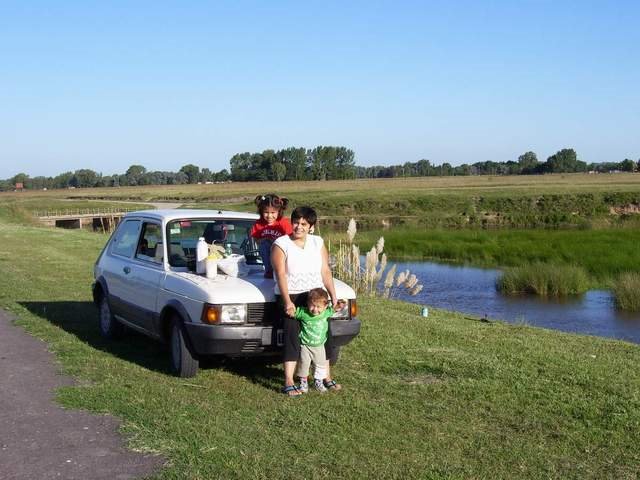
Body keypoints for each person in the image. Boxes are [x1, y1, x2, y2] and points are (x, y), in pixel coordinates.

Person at [272, 206, 343, 396]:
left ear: (311, 226)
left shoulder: (317, 242)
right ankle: (289, 380)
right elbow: (280, 275)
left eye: (304, 224)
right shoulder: (281, 243)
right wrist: (288, 302)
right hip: (292, 296)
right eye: (296, 222)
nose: (298, 227)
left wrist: (333, 297)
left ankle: (326, 376)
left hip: (316, 296)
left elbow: (326, 271)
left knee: (323, 335)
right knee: (292, 335)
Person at [294, 288, 345, 393]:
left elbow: (335, 308)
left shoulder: (326, 313)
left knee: (320, 365)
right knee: (304, 364)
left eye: (318, 307)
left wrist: (340, 304)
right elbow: (293, 312)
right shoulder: (303, 313)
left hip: (319, 346)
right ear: (307, 304)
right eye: (312, 305)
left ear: (325, 306)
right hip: (305, 345)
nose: (315, 309)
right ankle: (303, 383)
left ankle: (319, 382)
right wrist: (290, 310)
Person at [250, 194, 292, 278]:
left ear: (279, 211)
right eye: (266, 212)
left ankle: (280, 270)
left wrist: (275, 242)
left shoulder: (284, 223)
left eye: (273, 212)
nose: (269, 216)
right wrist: (266, 239)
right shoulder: (258, 224)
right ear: (261, 211)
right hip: (267, 257)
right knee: (265, 243)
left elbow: (291, 241)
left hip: (282, 257)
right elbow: (257, 241)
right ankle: (269, 270)